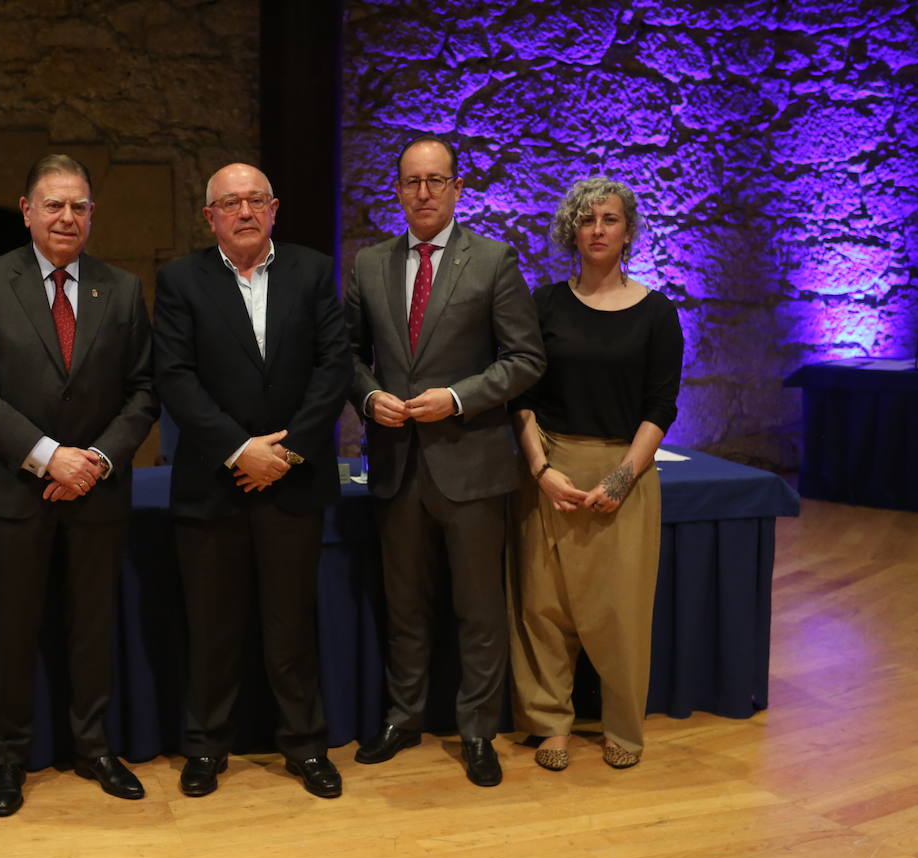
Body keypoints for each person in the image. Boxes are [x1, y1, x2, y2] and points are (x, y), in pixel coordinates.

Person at [0, 154, 157, 817]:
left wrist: (93, 459)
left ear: (92, 215)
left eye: (79, 207)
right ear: (27, 210)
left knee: (91, 627)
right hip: (17, 491)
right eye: (54, 205)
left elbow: (144, 391)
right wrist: (47, 457)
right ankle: (9, 758)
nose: (67, 217)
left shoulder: (121, 290)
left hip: (96, 491)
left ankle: (93, 746)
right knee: (15, 630)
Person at [347, 136, 545, 787]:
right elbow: (345, 356)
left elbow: (525, 360)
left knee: (477, 608)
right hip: (398, 464)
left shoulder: (493, 261)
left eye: (436, 181)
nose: (424, 193)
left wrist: (459, 398)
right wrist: (369, 394)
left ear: (459, 188)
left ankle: (478, 731)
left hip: (473, 465)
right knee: (404, 604)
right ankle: (405, 718)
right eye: (412, 182)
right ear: (398, 191)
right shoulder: (369, 266)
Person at [153, 163, 351, 799]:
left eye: (255, 200)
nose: (243, 211)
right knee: (212, 628)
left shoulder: (313, 271)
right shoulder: (180, 280)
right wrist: (239, 451)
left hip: (293, 482)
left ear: (274, 209)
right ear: (208, 216)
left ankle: (305, 746)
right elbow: (176, 378)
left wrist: (284, 456)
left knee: (292, 625)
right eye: (229, 202)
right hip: (213, 485)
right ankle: (206, 748)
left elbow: (333, 367)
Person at [508, 176, 683, 771]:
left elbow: (661, 405)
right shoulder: (544, 306)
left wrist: (622, 478)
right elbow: (520, 395)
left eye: (609, 219)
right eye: (587, 220)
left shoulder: (658, 313)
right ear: (571, 232)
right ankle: (549, 723)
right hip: (552, 469)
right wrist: (541, 469)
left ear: (628, 230)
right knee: (544, 607)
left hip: (626, 470)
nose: (598, 229)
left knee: (622, 610)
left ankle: (622, 727)